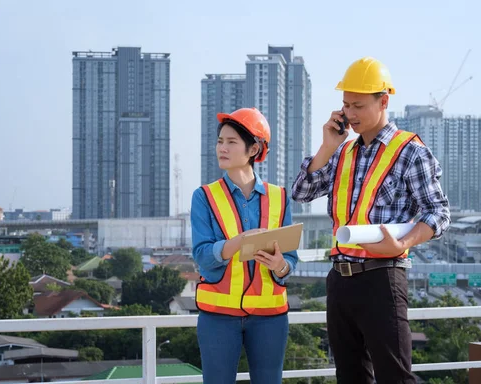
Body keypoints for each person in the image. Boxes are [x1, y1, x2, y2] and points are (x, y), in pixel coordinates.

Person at [291, 57, 450, 384]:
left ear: (384, 101)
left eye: (359, 106)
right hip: (339, 279)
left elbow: (439, 213)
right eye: (346, 105)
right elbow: (301, 192)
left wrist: (402, 243)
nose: (350, 114)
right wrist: (326, 146)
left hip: (383, 279)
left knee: (394, 377)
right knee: (350, 377)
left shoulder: (410, 152)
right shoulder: (342, 152)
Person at [191, 107, 299, 384]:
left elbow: (290, 258)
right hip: (217, 317)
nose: (222, 148)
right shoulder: (204, 196)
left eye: (231, 142)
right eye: (220, 141)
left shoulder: (280, 197)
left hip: (270, 317)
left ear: (253, 149)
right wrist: (236, 244)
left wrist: (281, 266)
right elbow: (202, 255)